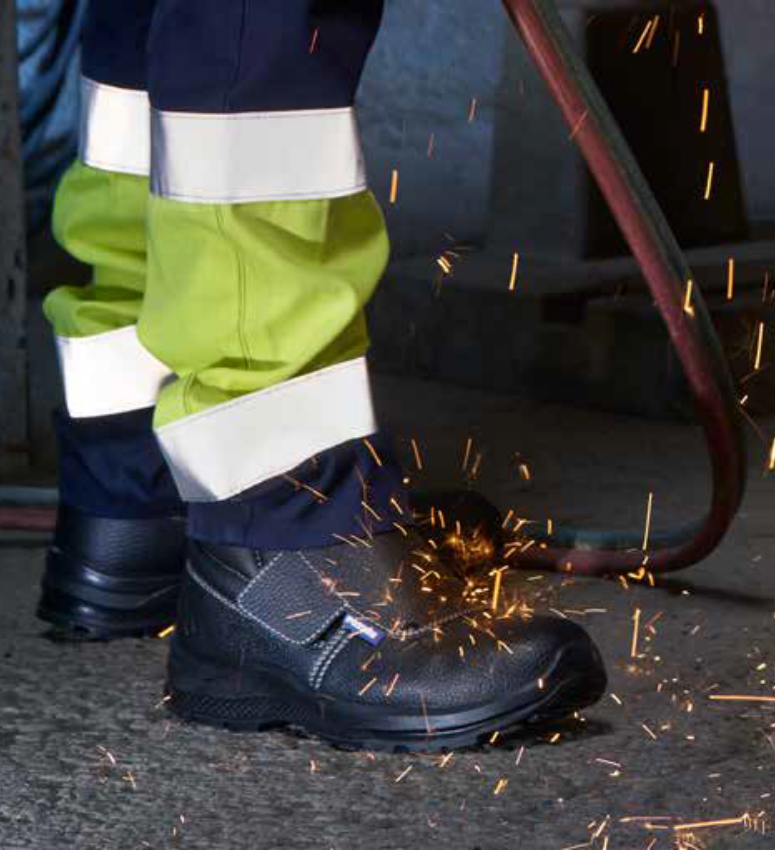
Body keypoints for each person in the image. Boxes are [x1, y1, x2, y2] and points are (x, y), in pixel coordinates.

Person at [39, 0, 606, 751]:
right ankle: (279, 522)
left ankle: (139, 486)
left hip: (129, 488)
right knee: (258, 27)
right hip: (270, 535)